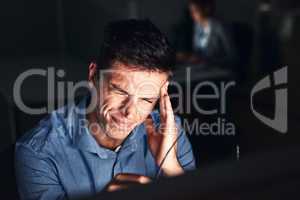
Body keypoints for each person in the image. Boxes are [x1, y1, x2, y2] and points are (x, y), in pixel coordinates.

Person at [15, 19, 195, 200]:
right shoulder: (38, 152)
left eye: (147, 99)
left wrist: (171, 167)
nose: (130, 112)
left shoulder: (171, 134)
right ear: (93, 76)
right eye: (119, 91)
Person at [174, 0, 236, 68]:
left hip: (218, 70)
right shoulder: (196, 26)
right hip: (200, 69)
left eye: (195, 11)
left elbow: (232, 57)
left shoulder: (220, 27)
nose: (192, 15)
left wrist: (208, 61)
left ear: (206, 9)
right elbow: (198, 53)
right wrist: (188, 57)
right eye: (190, 11)